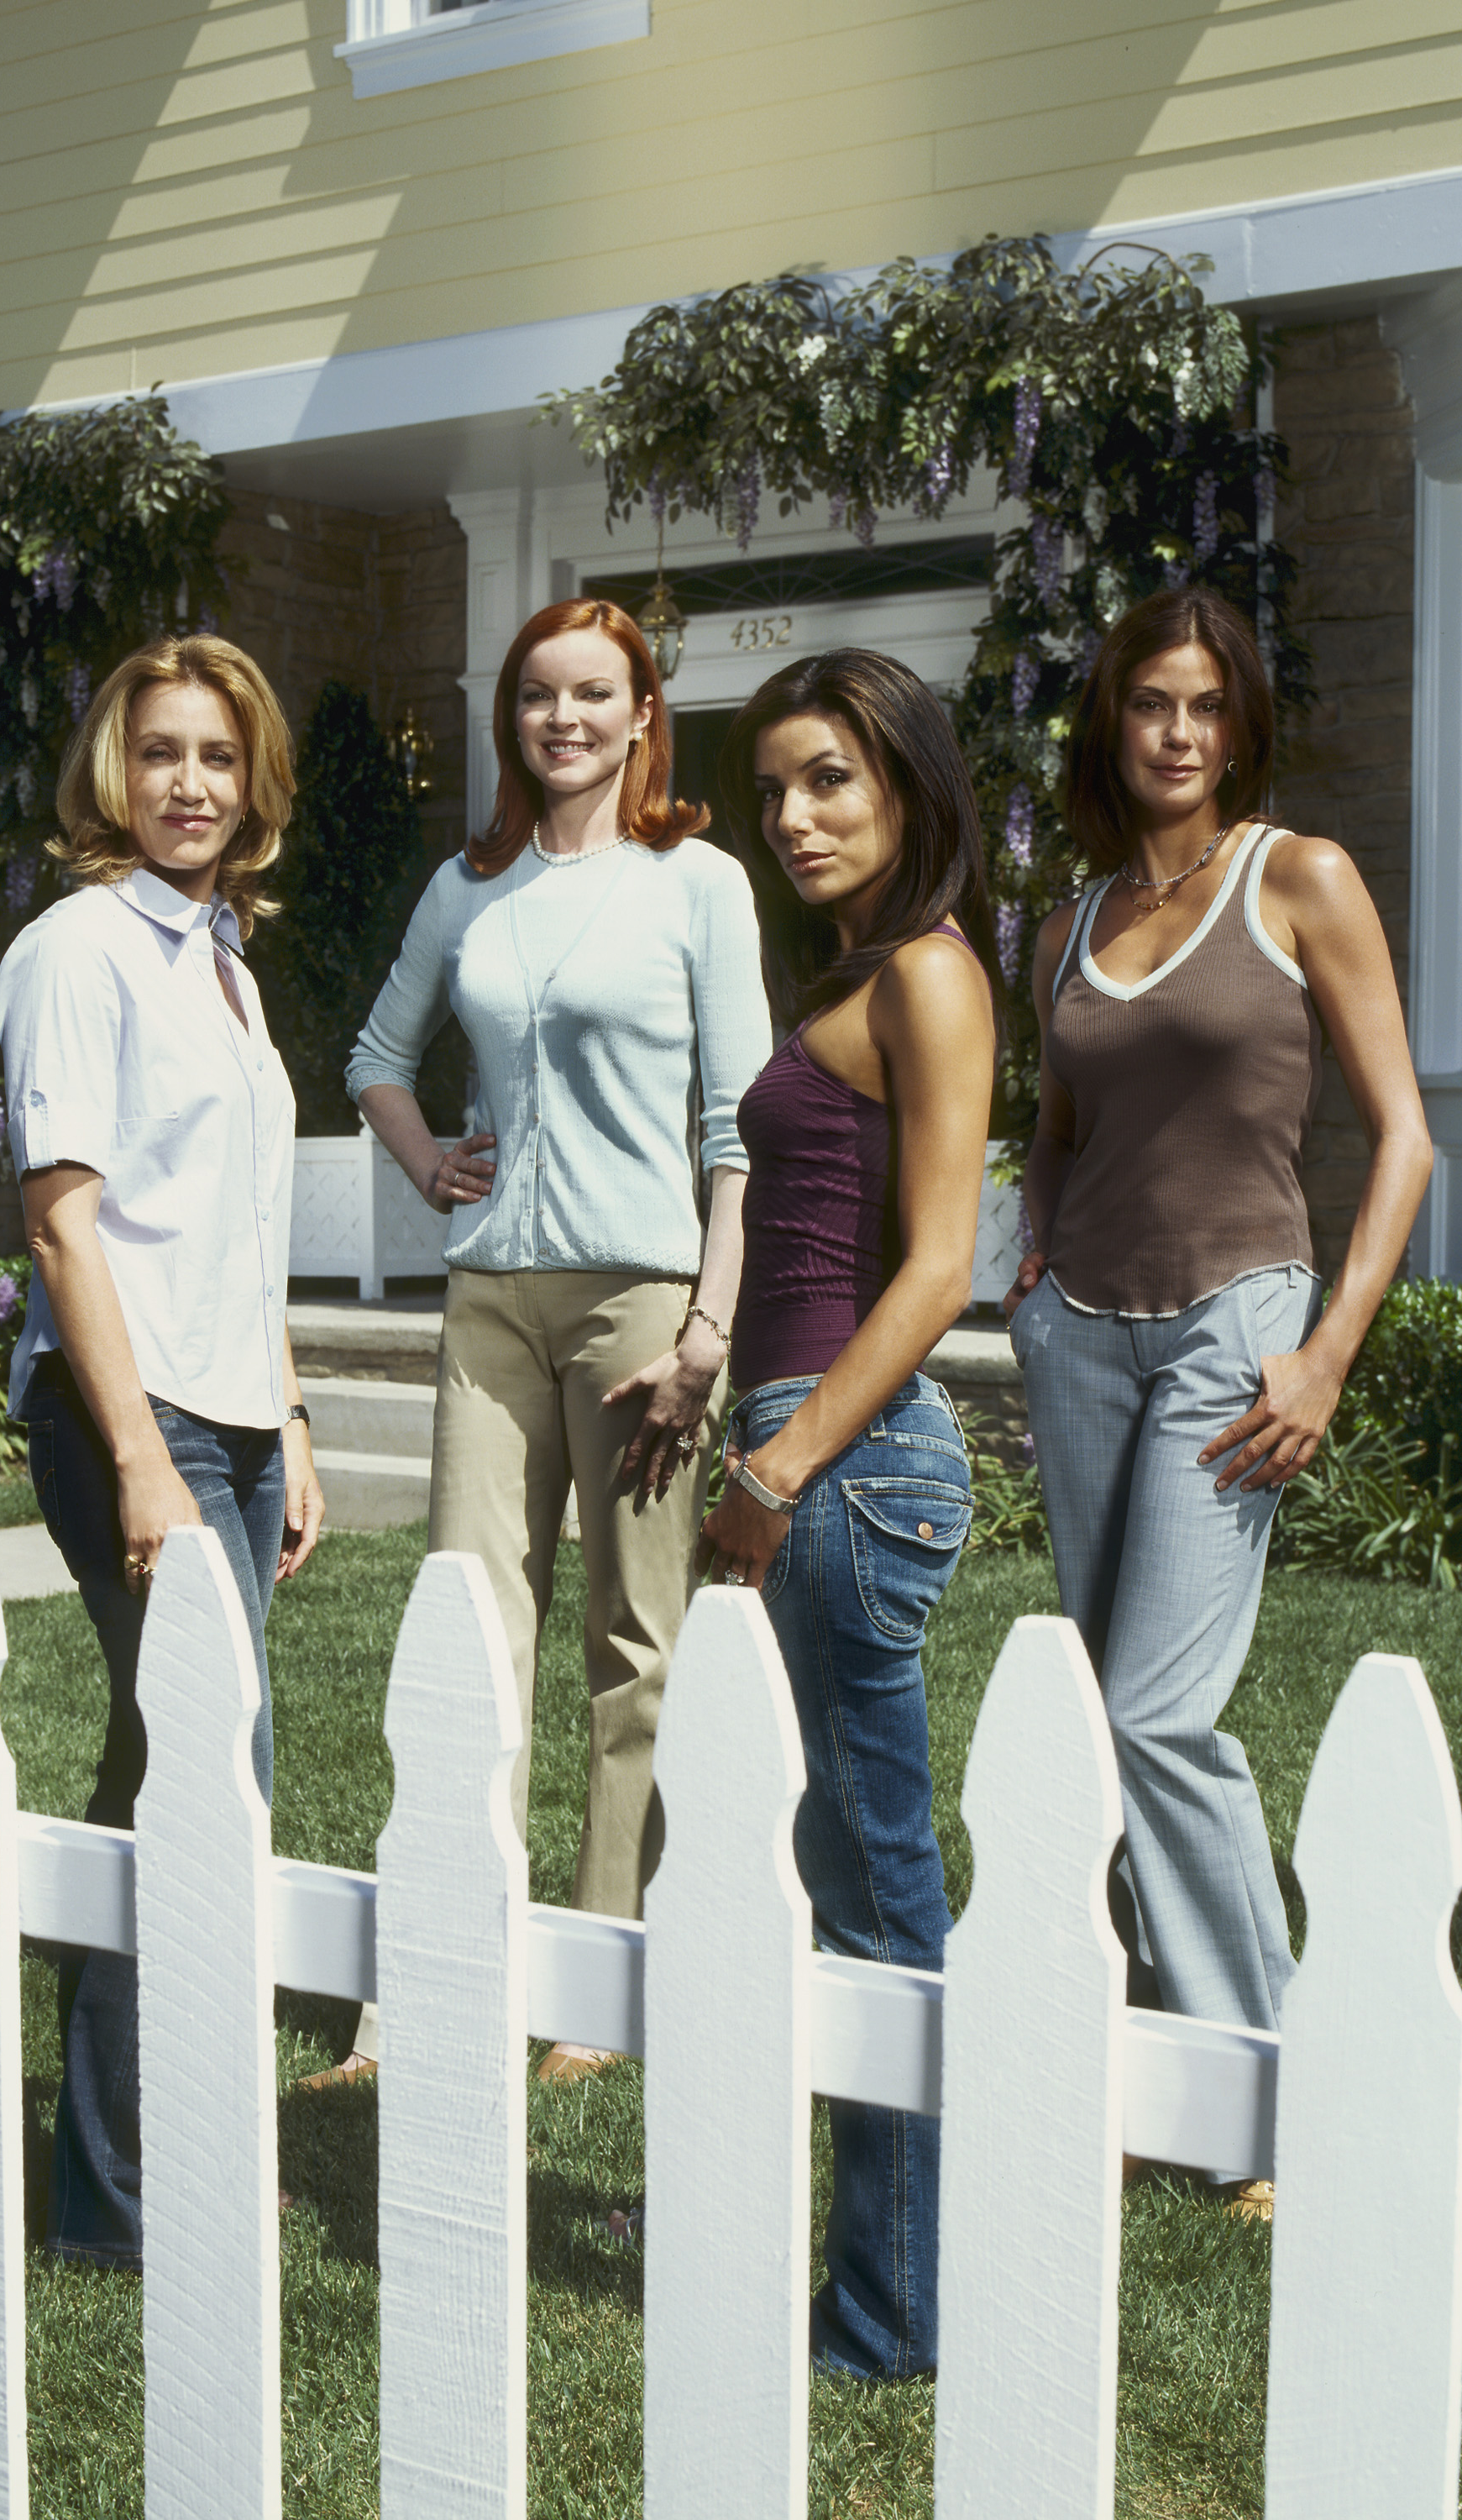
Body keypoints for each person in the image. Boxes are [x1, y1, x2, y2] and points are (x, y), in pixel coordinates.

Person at [1004, 588, 1432, 2167]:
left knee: (1156, 1715)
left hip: (1230, 1329)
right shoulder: (1070, 921)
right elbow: (1054, 1123)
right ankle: (1153, 2049)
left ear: (1236, 722)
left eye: (1204, 706)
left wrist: (1320, 1354)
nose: (1177, 734)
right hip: (1080, 1337)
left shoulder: (1296, 878)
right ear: (1110, 723)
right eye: (1148, 706)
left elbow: (1403, 1135)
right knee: (1097, 1713)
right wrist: (1034, 1252)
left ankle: (1275, 2083)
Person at [327, 595, 770, 2086]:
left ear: (644, 712)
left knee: (633, 1647)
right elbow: (376, 1058)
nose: (563, 719)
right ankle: (429, 1984)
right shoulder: (472, 887)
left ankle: (598, 1984)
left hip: (640, 1302)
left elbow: (738, 1127)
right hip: (490, 1301)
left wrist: (708, 1326)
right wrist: (426, 1160)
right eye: (537, 697)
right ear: (510, 718)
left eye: (594, 694)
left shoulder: (697, 881)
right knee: (465, 1635)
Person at [0, 632, 326, 2269]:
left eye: (217, 754)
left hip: (232, 1410)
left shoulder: (221, 959)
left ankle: (108, 2180)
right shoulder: (77, 950)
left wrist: (295, 1423)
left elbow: (231, 1231)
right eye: (160, 752)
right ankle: (144, 2190)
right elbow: (66, 1229)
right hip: (130, 1416)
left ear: (253, 780)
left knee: (161, 1778)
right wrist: (138, 1459)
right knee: (213, 1773)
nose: (189, 782)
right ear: (109, 773)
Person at [696, 648, 998, 2381]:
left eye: (833, 782)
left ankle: (889, 2315)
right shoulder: (869, 972)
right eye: (780, 788)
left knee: (883, 1896)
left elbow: (943, 1264)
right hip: (803, 1445)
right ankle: (874, 2278)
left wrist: (784, 1461)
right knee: (839, 1874)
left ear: (909, 787)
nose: (794, 816)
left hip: (848, 1468)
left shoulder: (936, 977)